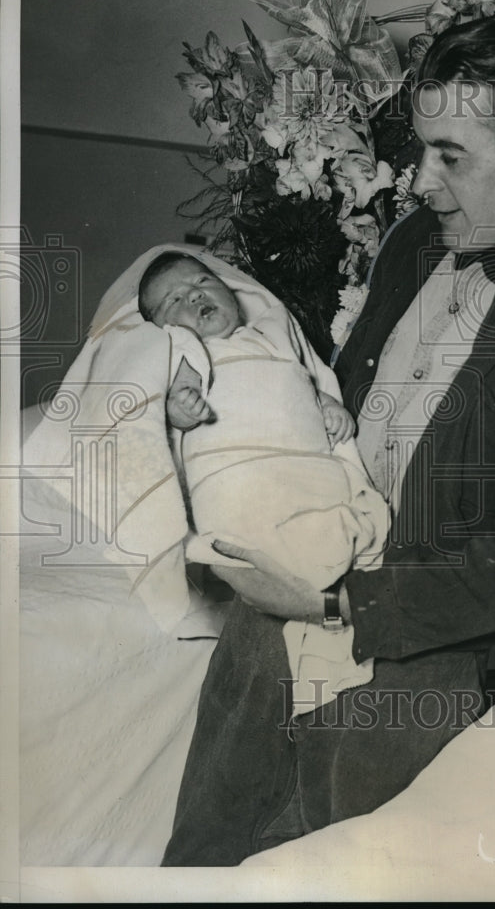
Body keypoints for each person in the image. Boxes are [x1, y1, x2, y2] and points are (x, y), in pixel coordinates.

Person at [161, 14, 495, 866]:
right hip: (307, 559)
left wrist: (336, 605)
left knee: (326, 859)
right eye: (418, 147)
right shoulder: (409, 243)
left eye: (449, 156)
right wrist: (211, 393)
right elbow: (330, 401)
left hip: (436, 632)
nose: (417, 179)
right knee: (204, 843)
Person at [137, 252, 390, 714]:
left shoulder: (273, 334)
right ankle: (324, 635)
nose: (194, 294)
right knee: (276, 545)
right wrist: (175, 409)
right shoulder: (179, 352)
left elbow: (304, 381)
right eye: (174, 299)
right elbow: (154, 412)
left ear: (231, 291)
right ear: (157, 325)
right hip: (239, 478)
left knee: (336, 522)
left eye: (203, 281)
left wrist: (328, 406)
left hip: (303, 469)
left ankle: (325, 619)